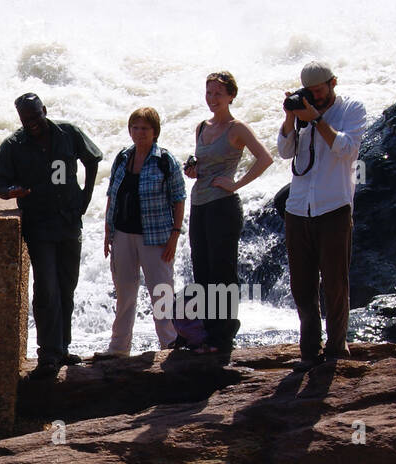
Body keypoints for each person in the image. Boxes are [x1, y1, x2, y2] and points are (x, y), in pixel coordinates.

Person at [0, 93, 103, 380]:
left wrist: (85, 198)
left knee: (67, 287)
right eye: (26, 120)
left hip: (68, 221)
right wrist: (12, 191)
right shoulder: (13, 145)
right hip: (39, 226)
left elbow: (93, 159)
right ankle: (48, 354)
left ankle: (62, 348)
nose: (32, 124)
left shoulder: (68, 133)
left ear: (45, 111)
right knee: (47, 288)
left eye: (36, 117)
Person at [277, 61, 367, 369]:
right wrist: (291, 118)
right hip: (298, 207)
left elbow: (346, 148)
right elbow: (285, 152)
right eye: (311, 92)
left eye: (320, 91)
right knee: (302, 285)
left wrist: (316, 119)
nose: (316, 97)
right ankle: (308, 352)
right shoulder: (302, 112)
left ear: (333, 83)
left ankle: (337, 348)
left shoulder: (352, 109)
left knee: (335, 283)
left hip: (334, 207)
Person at [182, 70, 272, 356]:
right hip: (199, 204)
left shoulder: (237, 128)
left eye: (218, 94)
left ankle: (224, 337)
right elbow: (201, 165)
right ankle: (209, 334)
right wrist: (193, 170)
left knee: (223, 272)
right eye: (208, 93)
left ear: (231, 95)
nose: (212, 99)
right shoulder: (201, 127)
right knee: (203, 271)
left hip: (223, 205)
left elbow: (265, 158)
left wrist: (237, 184)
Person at [101, 107, 185, 356]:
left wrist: (175, 235)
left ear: (155, 132)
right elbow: (111, 195)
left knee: (161, 291)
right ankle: (118, 348)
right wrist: (108, 230)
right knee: (125, 292)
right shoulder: (123, 157)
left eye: (145, 128)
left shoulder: (165, 160)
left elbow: (179, 198)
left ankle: (169, 344)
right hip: (123, 234)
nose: (139, 133)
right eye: (135, 127)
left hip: (156, 236)